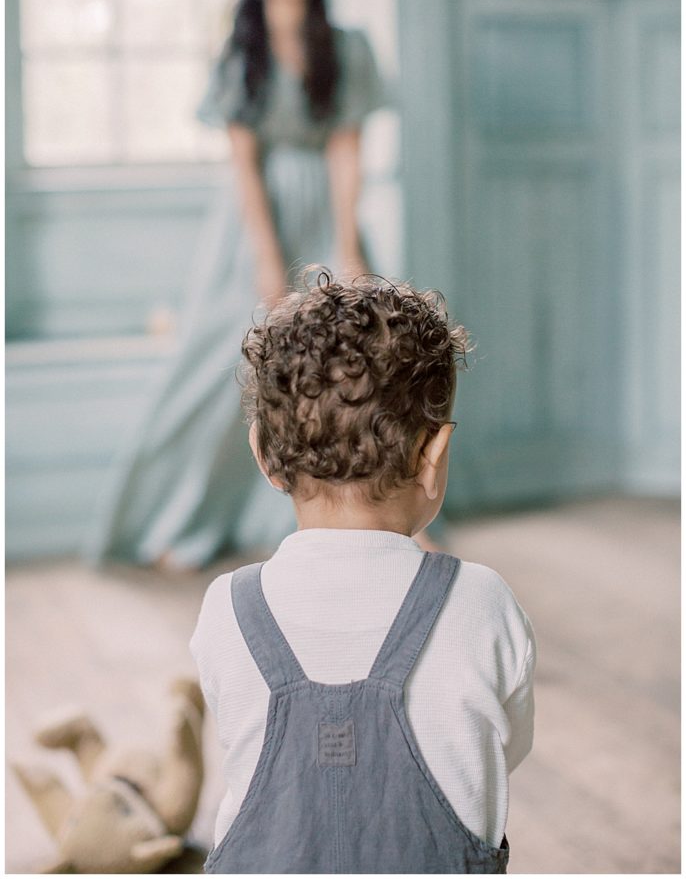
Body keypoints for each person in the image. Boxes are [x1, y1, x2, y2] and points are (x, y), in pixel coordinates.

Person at [190, 270, 536, 874]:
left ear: (265, 455)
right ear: (434, 458)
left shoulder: (227, 606)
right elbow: (507, 748)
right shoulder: (482, 601)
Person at [89, 0, 387, 570]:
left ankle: (375, 520)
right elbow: (244, 163)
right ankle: (177, 519)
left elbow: (345, 151)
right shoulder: (239, 54)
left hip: (327, 214)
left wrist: (349, 245)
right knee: (224, 372)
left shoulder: (348, 47)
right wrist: (267, 256)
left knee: (358, 365)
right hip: (252, 223)